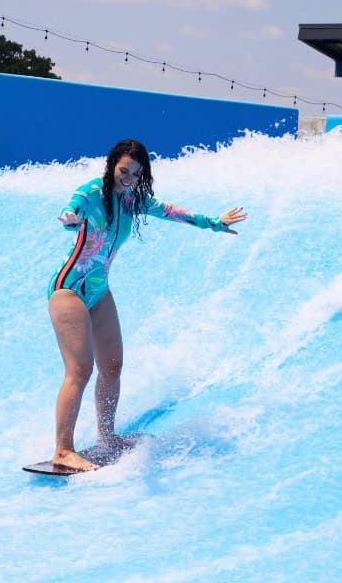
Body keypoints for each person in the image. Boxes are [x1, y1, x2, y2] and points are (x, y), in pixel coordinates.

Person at [46, 138, 247, 471]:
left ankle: (106, 437)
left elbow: (172, 212)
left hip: (98, 289)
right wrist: (69, 217)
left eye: (136, 173)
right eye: (124, 170)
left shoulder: (133, 200)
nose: (128, 177)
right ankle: (63, 450)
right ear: (112, 165)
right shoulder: (91, 193)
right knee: (80, 370)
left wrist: (214, 222)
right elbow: (73, 208)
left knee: (112, 366)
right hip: (68, 288)